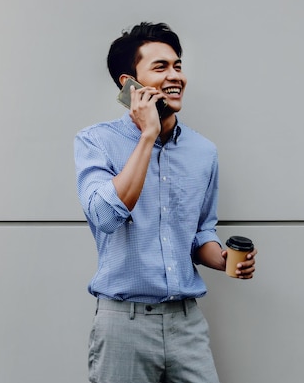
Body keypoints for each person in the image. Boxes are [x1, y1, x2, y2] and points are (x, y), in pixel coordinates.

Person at [74, 22, 257, 383]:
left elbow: (199, 234)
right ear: (130, 83)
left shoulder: (203, 152)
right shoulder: (95, 142)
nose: (176, 76)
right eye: (161, 67)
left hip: (185, 323)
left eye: (178, 65)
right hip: (123, 325)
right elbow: (105, 216)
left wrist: (222, 259)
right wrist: (147, 136)